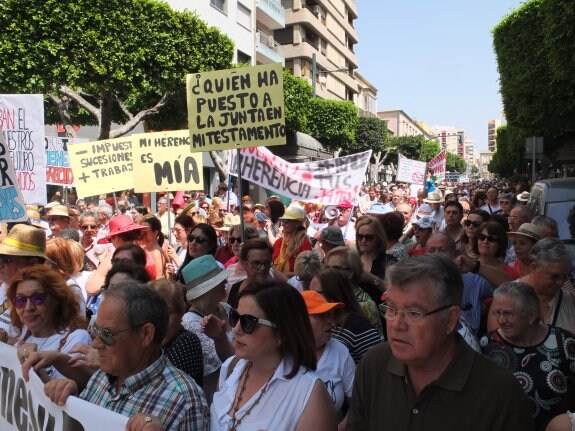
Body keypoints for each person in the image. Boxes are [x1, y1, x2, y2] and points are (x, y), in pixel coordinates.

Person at [346, 254, 534, 430]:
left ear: (451, 319)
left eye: (413, 313)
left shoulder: (501, 394)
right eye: (392, 309)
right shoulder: (373, 364)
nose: (396, 324)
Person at [43, 280, 209, 430]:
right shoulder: (102, 376)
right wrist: (71, 400)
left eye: (107, 334)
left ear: (146, 334)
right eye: (95, 330)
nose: (95, 344)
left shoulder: (185, 401)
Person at [211, 281, 336, 430]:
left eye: (248, 322)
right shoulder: (230, 367)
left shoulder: (309, 394)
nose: (236, 328)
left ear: (282, 333)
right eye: (235, 316)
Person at [481, 282, 575, 431]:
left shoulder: (563, 342)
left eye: (508, 313)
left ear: (531, 316)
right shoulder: (487, 345)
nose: (501, 320)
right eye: (497, 313)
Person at [8, 266, 91, 379]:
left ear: (56, 299)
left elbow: (70, 393)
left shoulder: (77, 338)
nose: (28, 307)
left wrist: (34, 365)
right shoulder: (22, 337)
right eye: (20, 300)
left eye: (37, 298)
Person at [301, 290, 355, 430]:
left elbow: (356, 403)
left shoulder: (340, 352)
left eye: (331, 315)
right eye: (321, 316)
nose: (331, 322)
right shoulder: (280, 353)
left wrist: (340, 427)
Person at [181, 255, 232, 402]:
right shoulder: (191, 323)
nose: (225, 282)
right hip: (215, 395)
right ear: (209, 290)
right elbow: (224, 362)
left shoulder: (225, 308)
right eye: (220, 281)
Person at [310, 268, 381, 364]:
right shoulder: (314, 322)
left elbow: (376, 367)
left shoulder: (358, 327)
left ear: (333, 294)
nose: (311, 297)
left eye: (315, 294)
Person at [0, 224, 51, 338]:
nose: (0, 265)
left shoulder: (45, 297)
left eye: (7, 259)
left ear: (33, 263)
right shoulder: (5, 286)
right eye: (0, 258)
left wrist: (6, 341)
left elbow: (35, 345)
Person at [151, 279, 204, 387]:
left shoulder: (186, 341)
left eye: (168, 312)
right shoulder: (148, 342)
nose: (160, 320)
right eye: (153, 312)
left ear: (181, 313)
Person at [227, 238, 274, 309]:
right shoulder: (232, 290)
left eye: (267, 263)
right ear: (244, 264)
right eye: (256, 263)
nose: (263, 268)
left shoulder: (276, 293)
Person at [272, 204, 312, 276]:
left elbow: (306, 272)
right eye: (282, 220)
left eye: (286, 221)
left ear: (297, 223)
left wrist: (281, 275)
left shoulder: (304, 243)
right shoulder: (278, 242)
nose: (283, 224)